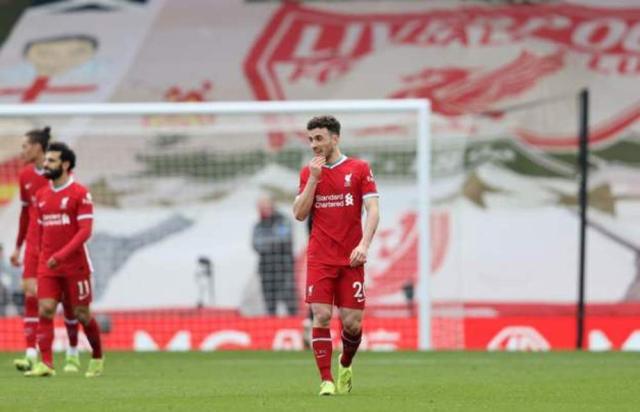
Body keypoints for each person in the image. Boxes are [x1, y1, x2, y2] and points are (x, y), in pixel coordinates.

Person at [293, 115, 380, 396]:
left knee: (352, 324)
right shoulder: (309, 173)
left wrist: (364, 245)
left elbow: (373, 210)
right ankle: (326, 380)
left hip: (351, 257)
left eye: (319, 138)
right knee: (321, 315)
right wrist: (313, 179)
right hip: (320, 257)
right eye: (310, 139)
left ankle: (345, 363)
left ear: (335, 138)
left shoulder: (359, 168)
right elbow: (299, 213)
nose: (313, 144)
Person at [25, 142, 104, 378]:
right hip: (48, 266)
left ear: (66, 164)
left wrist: (60, 255)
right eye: (46, 160)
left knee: (81, 314)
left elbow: (85, 231)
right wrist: (38, 261)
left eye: (51, 161)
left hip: (75, 265)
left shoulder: (80, 193)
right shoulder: (41, 195)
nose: (46, 164)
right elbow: (40, 233)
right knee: (46, 309)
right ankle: (46, 364)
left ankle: (97, 356)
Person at [11, 127, 81, 373]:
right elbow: (24, 214)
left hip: (58, 243)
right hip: (34, 243)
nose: (22, 151)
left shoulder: (60, 175)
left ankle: (73, 352)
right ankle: (31, 354)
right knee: (31, 295)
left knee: (69, 301)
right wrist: (18, 247)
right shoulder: (25, 176)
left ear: (38, 147)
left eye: (25, 146)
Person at [252, 194, 298, 316]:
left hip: (284, 269)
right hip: (266, 270)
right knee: (270, 305)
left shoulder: (283, 221)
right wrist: (273, 242)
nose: (262, 210)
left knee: (290, 302)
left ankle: (294, 323)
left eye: (265, 207)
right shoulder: (258, 226)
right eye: (260, 207)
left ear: (272, 206)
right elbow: (256, 244)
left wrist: (267, 243)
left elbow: (285, 240)